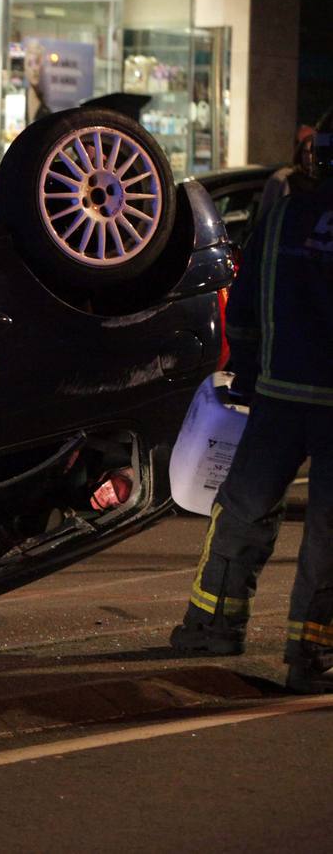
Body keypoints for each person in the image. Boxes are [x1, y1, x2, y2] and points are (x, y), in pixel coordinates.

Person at [168, 110, 333, 694]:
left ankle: (213, 624)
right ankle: (312, 655)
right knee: (328, 533)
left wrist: (245, 368)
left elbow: (247, 299)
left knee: (243, 508)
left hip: (279, 392)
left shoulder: (286, 213)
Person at [256, 124, 316, 225]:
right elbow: (265, 217)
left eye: (314, 152)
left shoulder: (323, 182)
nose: (310, 157)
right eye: (306, 152)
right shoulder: (284, 179)